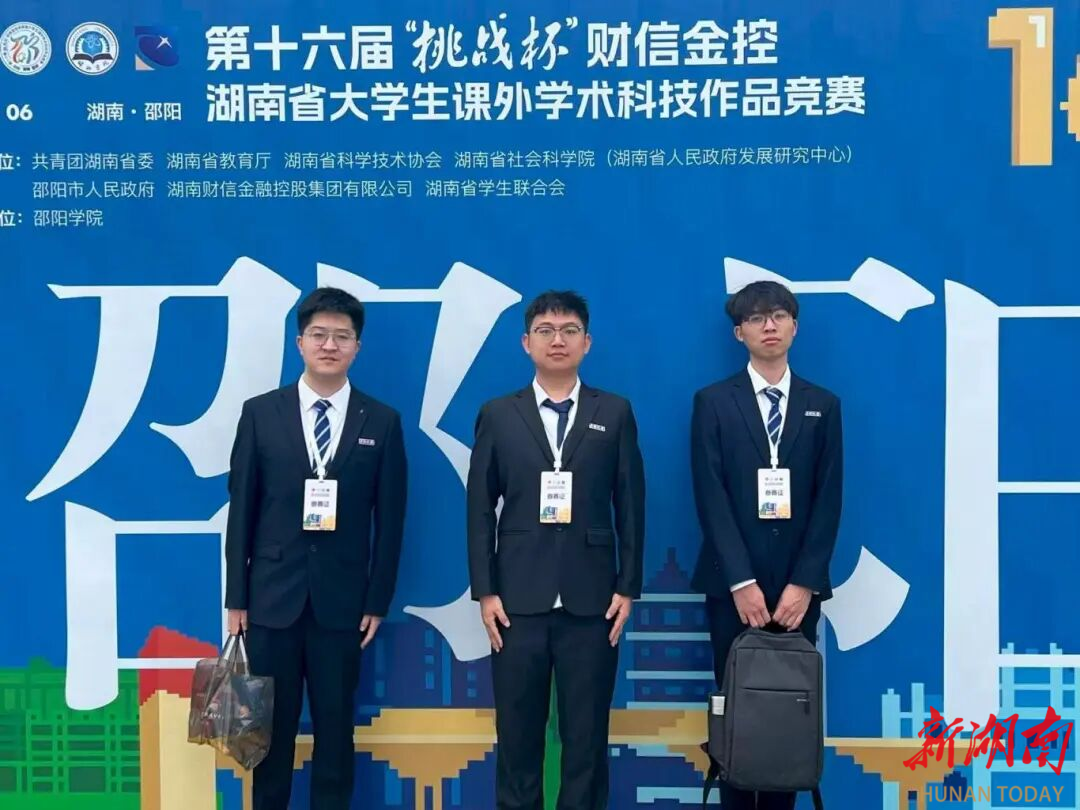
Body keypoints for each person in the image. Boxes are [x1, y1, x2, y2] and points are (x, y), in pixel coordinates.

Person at [223, 286, 408, 810]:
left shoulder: (381, 421)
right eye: (319, 335)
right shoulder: (261, 414)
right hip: (270, 602)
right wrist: (237, 598)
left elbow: (391, 520)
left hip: (343, 606)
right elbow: (242, 511)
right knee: (269, 734)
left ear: (357, 348)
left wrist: (377, 599)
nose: (330, 345)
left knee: (335, 730)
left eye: (342, 337)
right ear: (300, 343)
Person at [466, 290, 646, 810]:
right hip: (516, 601)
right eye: (545, 330)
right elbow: (479, 508)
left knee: (586, 739)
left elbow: (631, 504)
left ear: (587, 342)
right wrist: (485, 591)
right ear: (527, 343)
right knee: (517, 737)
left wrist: (627, 586)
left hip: (594, 602)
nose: (558, 340)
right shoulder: (499, 414)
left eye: (569, 330)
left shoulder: (614, 412)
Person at [689, 280, 843, 810]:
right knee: (737, 716)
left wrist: (805, 583)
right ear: (740, 333)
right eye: (756, 318)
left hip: (797, 591)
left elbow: (829, 499)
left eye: (778, 315)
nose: (769, 326)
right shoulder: (713, 402)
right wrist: (741, 581)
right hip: (733, 590)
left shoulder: (823, 405)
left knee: (787, 718)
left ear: (795, 326)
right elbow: (710, 495)